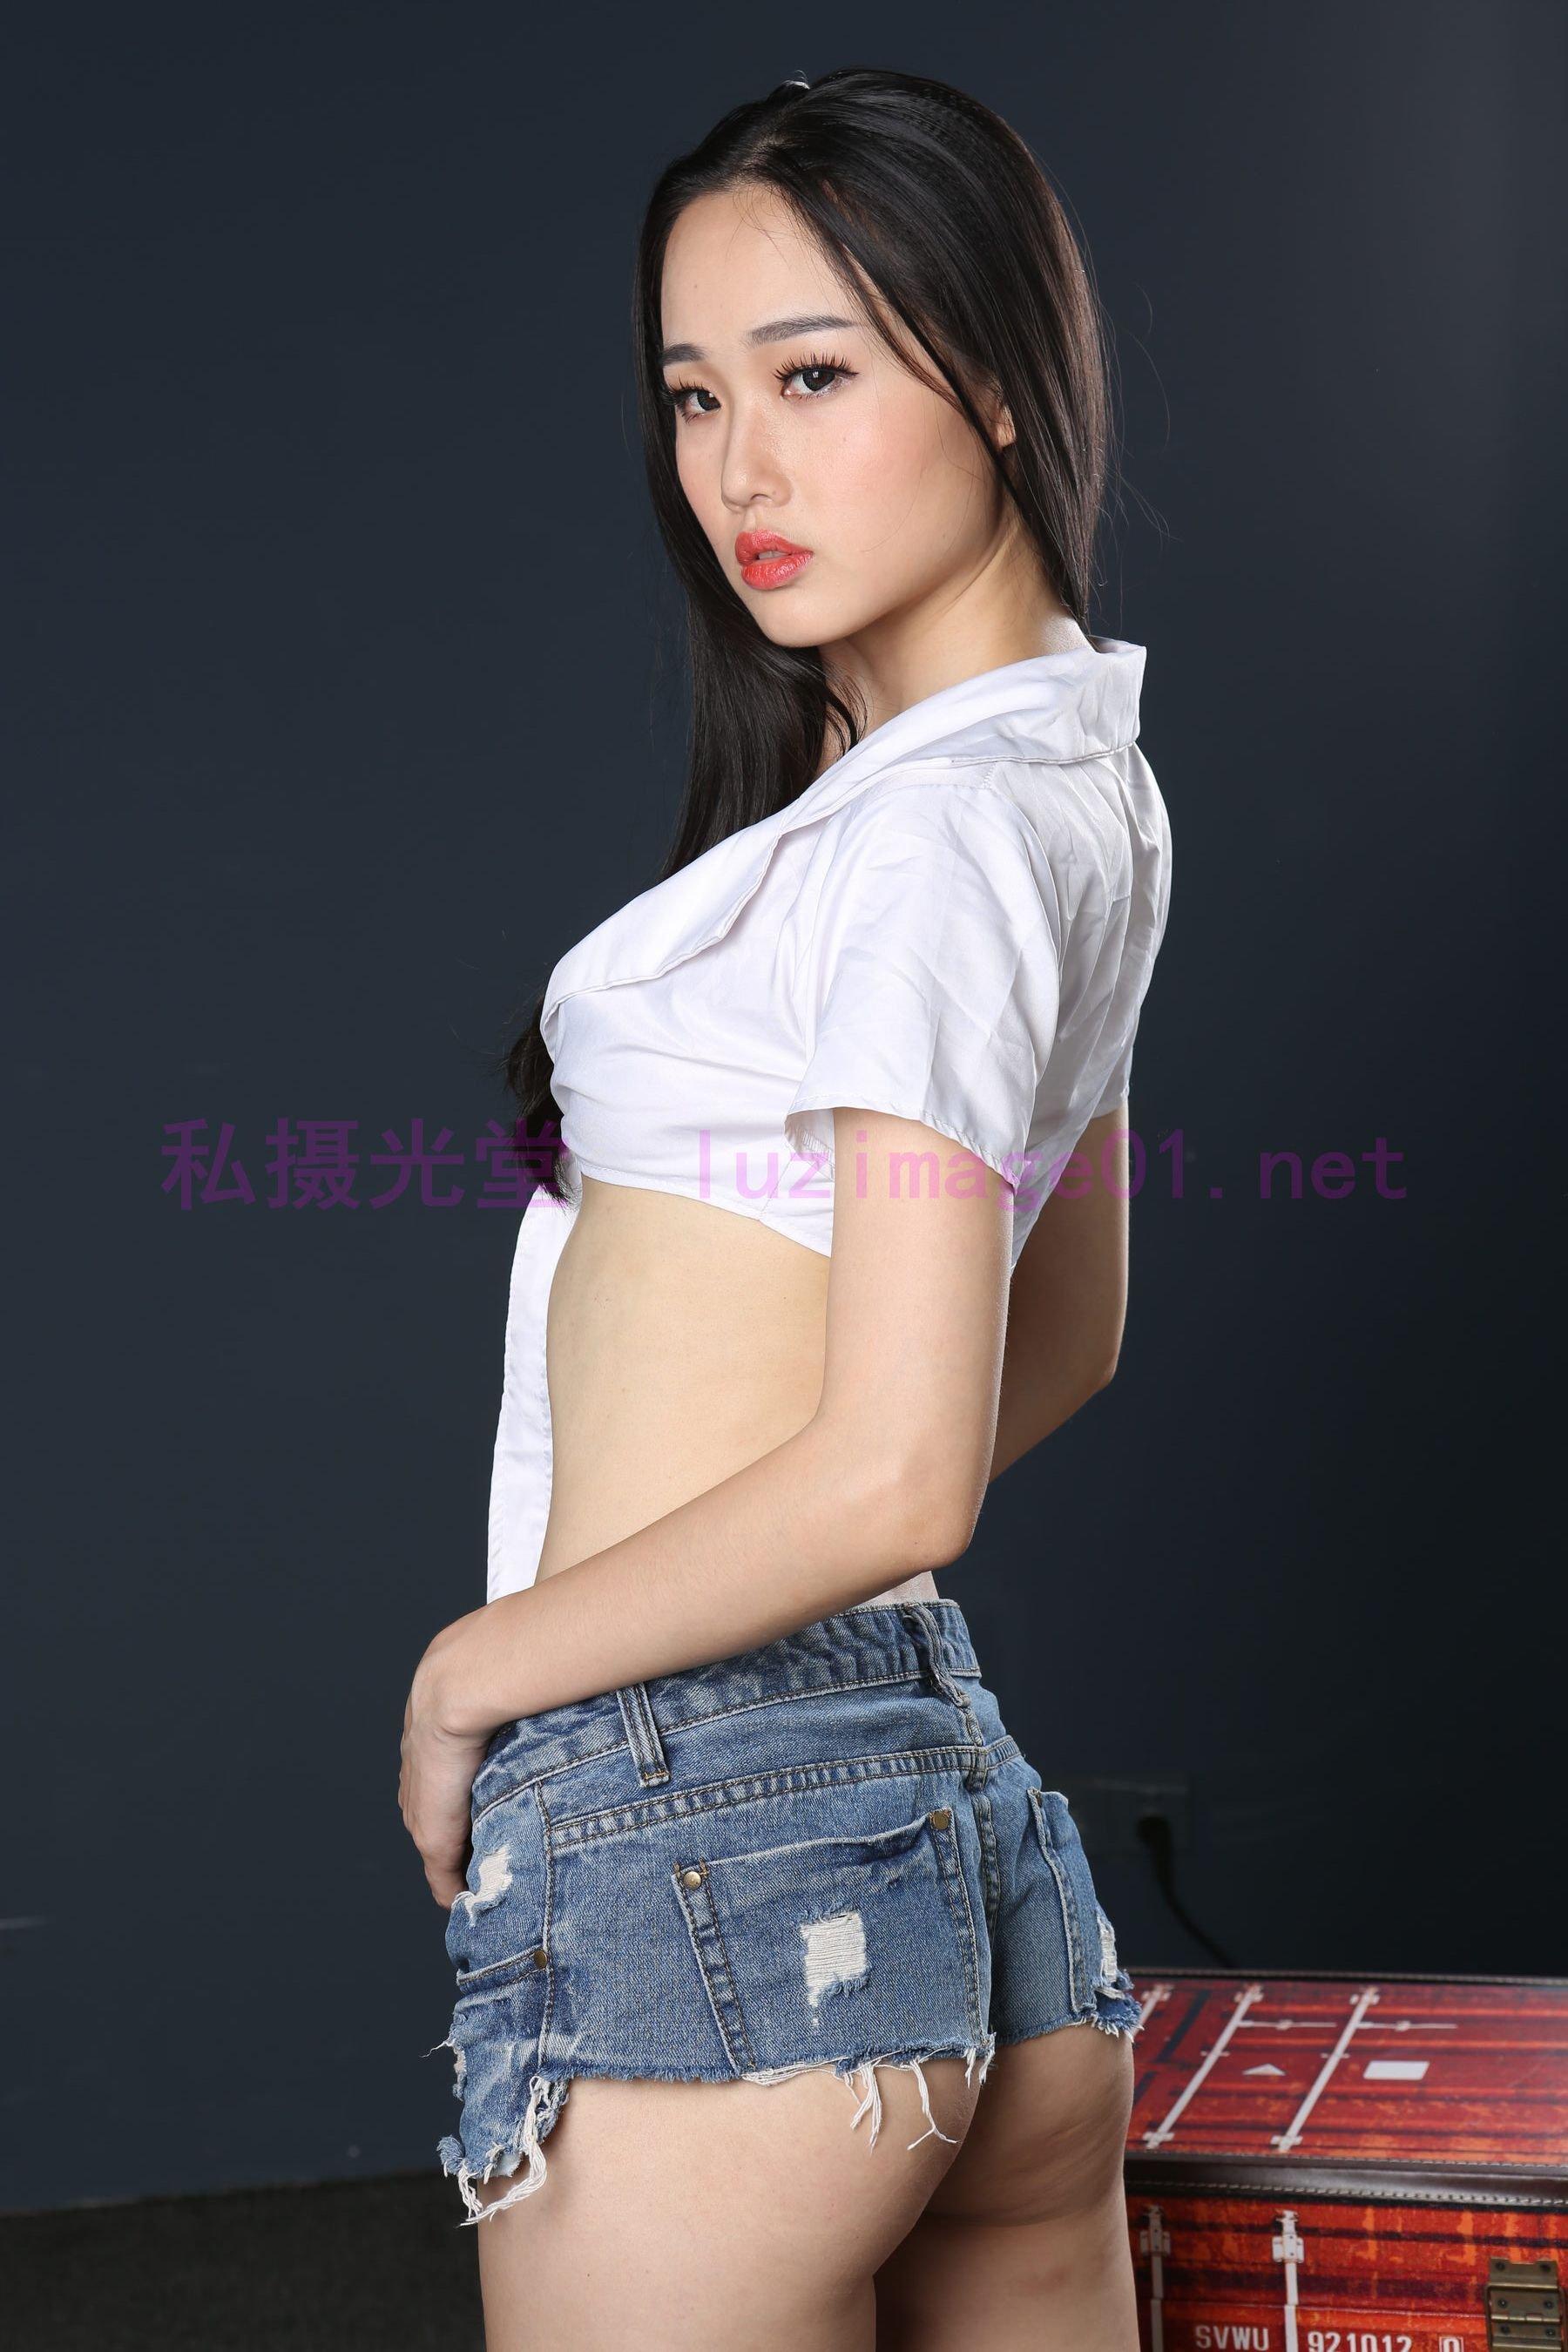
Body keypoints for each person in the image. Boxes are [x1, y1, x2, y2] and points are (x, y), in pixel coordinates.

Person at [399, 64, 1173, 2350]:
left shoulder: (930, 841)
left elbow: (903, 1468)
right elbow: (1073, 1332)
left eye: (814, 376)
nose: (740, 467)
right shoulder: (1054, 779)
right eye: (694, 395)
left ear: (1003, 378)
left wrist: (474, 1675)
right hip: (940, 1818)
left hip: (713, 1835)